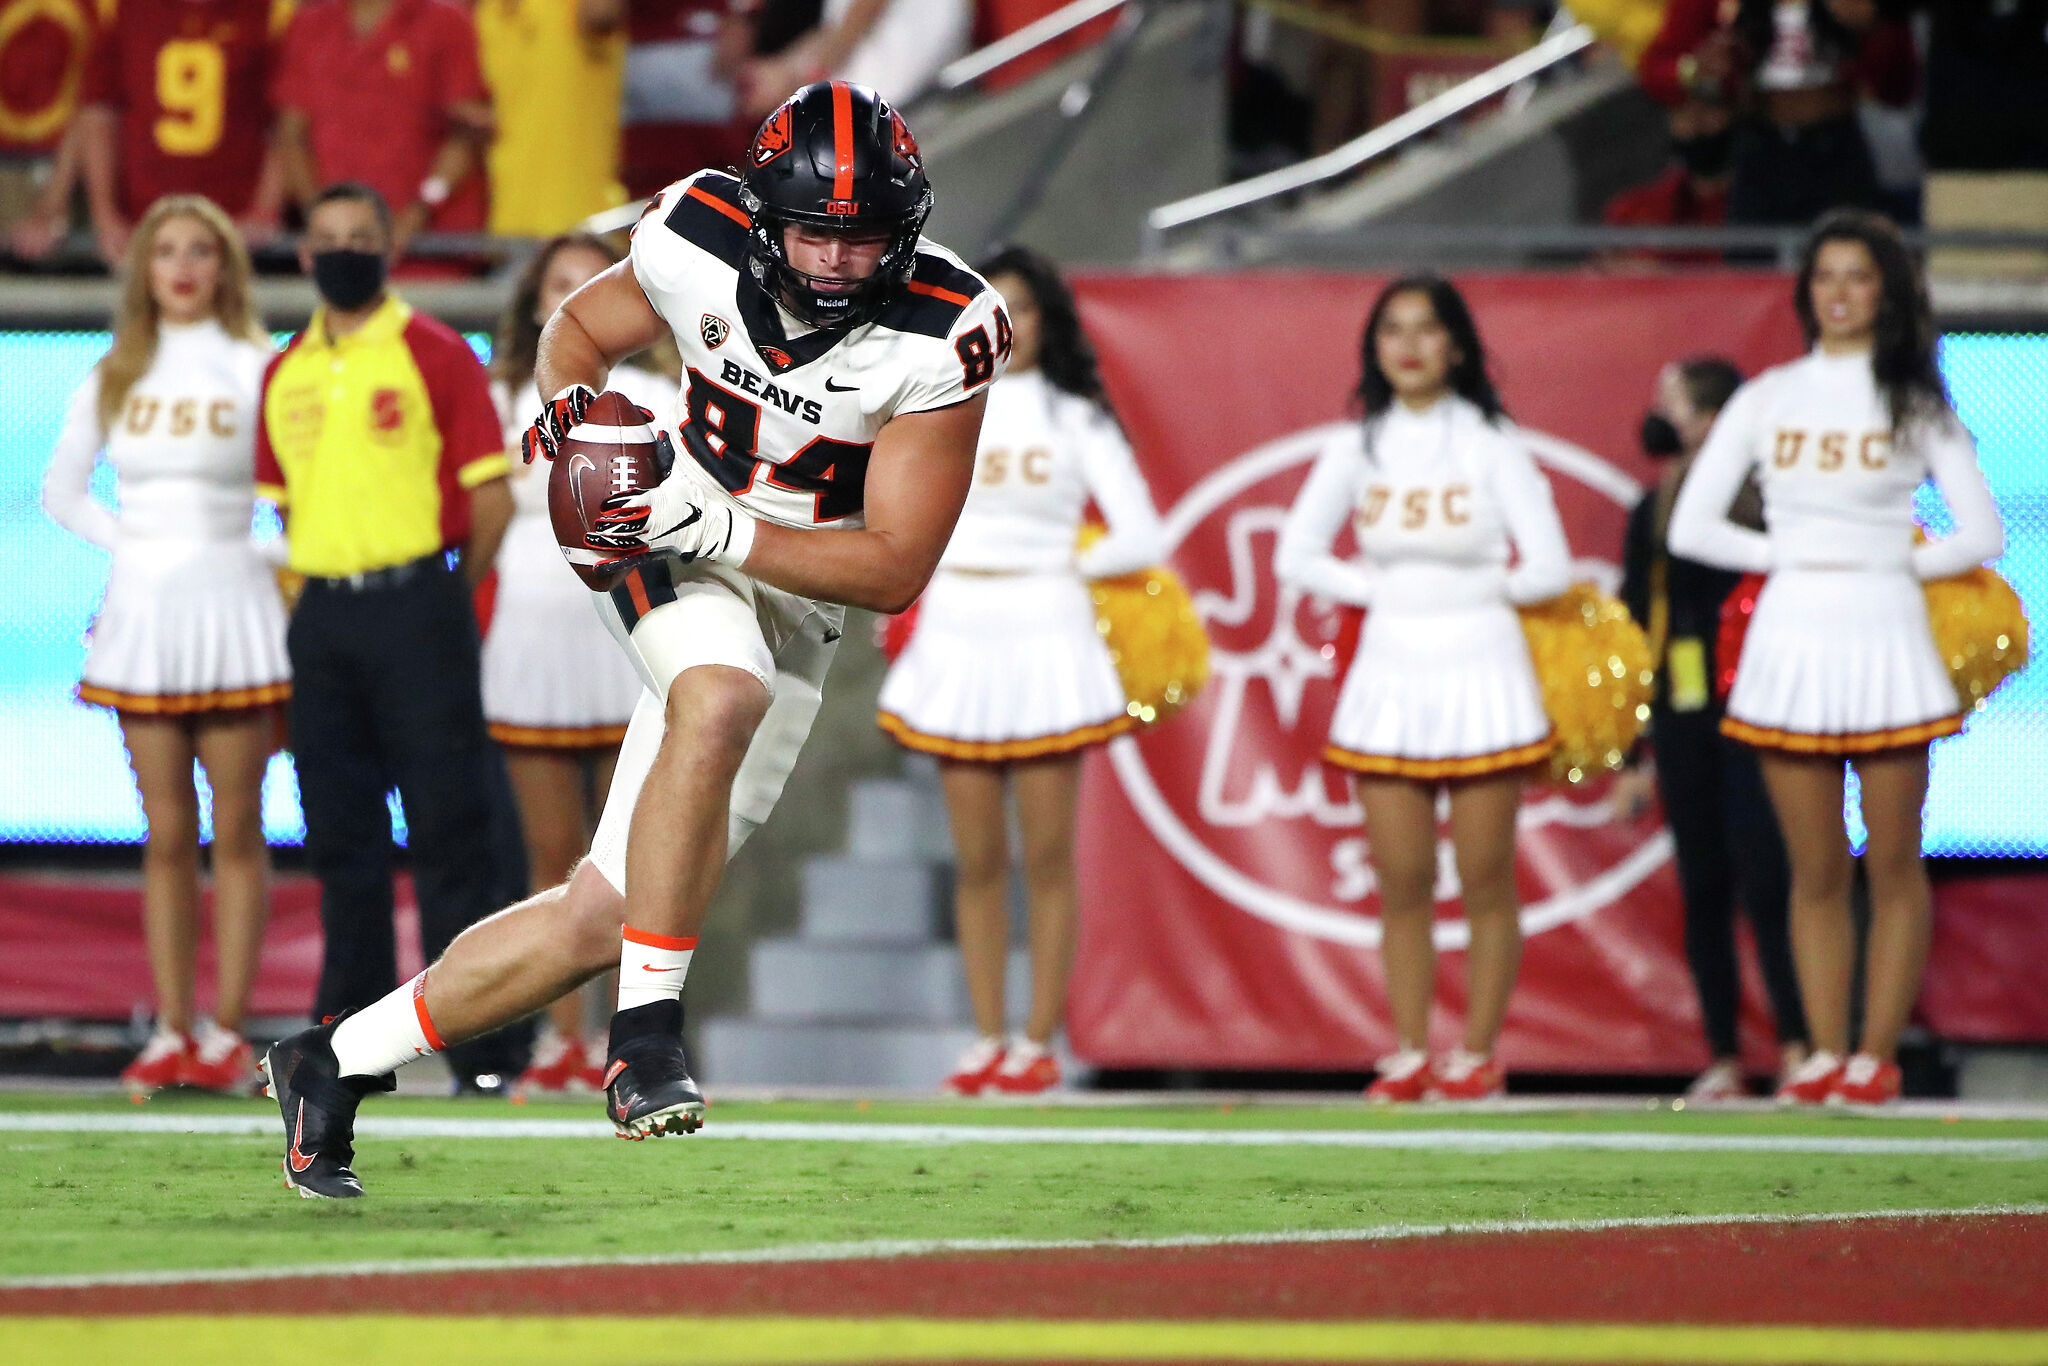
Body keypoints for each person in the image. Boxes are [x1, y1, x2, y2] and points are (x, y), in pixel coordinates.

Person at [259, 82, 1007, 1198]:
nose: (841, 263)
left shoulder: (946, 325)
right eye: (815, 232)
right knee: (719, 695)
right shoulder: (695, 234)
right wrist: (569, 418)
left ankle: (332, 1060)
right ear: (759, 218)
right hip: (653, 514)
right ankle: (646, 1034)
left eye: (865, 240)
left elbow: (894, 567)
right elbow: (577, 330)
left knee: (602, 914)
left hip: (789, 581)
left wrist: (716, 525)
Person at [1669, 209, 2003, 1106]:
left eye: (1860, 277)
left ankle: (1876, 1057)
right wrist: (1788, 557)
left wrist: (1895, 561)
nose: (1841, 294)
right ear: (1806, 292)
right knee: (1811, 868)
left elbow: (1983, 531)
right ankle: (1818, 1054)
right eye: (1826, 277)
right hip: (1791, 640)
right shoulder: (1765, 398)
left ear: (1887, 292)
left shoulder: (1918, 402)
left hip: (1890, 636)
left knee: (1893, 860)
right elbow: (1692, 524)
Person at [876, 244, 1165, 1097]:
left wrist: (1057, 567)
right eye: (996, 308)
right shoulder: (934, 404)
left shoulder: (1078, 417)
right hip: (960, 630)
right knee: (975, 859)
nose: (1013, 324)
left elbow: (1143, 534)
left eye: (1027, 308)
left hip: (1046, 633)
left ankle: (1039, 1042)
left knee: (1045, 856)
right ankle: (985, 1038)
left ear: (1048, 320)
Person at [1276, 274, 1570, 1103]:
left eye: (1426, 329)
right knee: (1400, 880)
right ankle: (1407, 1051)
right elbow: (1294, 555)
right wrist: (1382, 589)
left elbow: (1549, 566)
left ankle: (1477, 1053)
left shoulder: (1493, 444)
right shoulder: (1356, 447)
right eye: (1392, 330)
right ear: (1375, 349)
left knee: (1485, 877)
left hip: (1485, 670)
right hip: (1390, 676)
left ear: (1458, 346)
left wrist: (1473, 594)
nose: (1408, 345)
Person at [254, 180, 520, 1091]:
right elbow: (283, 512)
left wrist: (443, 598)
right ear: (302, 255)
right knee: (342, 839)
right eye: (326, 236)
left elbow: (491, 499)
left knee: (452, 832)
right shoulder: (282, 371)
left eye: (359, 235)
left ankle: (481, 1051)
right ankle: (349, 1052)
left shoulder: (435, 353)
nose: (341, 250)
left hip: (418, 605)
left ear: (390, 245)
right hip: (322, 617)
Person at [42, 193, 285, 1095]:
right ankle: (172, 1028)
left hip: (238, 617)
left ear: (225, 267)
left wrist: (256, 552)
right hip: (142, 621)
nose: (183, 267)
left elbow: (314, 496)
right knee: (168, 833)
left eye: (201, 251)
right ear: (143, 268)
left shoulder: (262, 367)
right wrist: (136, 548)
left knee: (240, 828)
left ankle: (228, 1034)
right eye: (166, 251)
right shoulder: (113, 371)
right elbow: (61, 494)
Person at [483, 233, 677, 1094]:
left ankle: (628, 1031)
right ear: (536, 302)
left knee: (635, 846)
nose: (574, 296)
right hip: (529, 615)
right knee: (548, 844)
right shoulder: (497, 394)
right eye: (558, 282)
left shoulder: (661, 392)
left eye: (590, 282)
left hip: (626, 614)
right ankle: (560, 1036)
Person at [1612, 357, 1809, 1101]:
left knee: (1773, 877)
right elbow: (1637, 622)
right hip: (1683, 710)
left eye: (1674, 400)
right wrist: (1634, 747)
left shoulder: (1764, 501)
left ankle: (1800, 1046)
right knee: (1704, 885)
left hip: (1760, 705)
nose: (1660, 411)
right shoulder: (1652, 505)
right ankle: (1725, 1055)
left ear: (1715, 416)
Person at [16, 0, 287, 266]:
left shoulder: (270, 10)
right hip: (142, 223)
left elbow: (287, 122)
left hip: (232, 226)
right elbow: (97, 111)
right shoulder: (124, 9)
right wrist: (106, 218)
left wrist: (263, 212)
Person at [1637, 0, 1916, 228]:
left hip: (1837, 144)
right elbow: (1657, 67)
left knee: (1843, 254)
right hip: (1760, 144)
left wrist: (1872, 24)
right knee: (1752, 268)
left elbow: (1900, 87)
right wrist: (1693, 70)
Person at [270, 0, 492, 255]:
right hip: (341, 253)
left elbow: (465, 136)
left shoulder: (446, 21)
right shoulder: (309, 25)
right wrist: (325, 221)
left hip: (432, 249)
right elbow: (291, 134)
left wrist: (419, 210)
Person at [476, 0, 629, 237]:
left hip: (581, 224)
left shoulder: (577, 8)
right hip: (503, 221)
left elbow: (601, 14)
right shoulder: (488, 11)